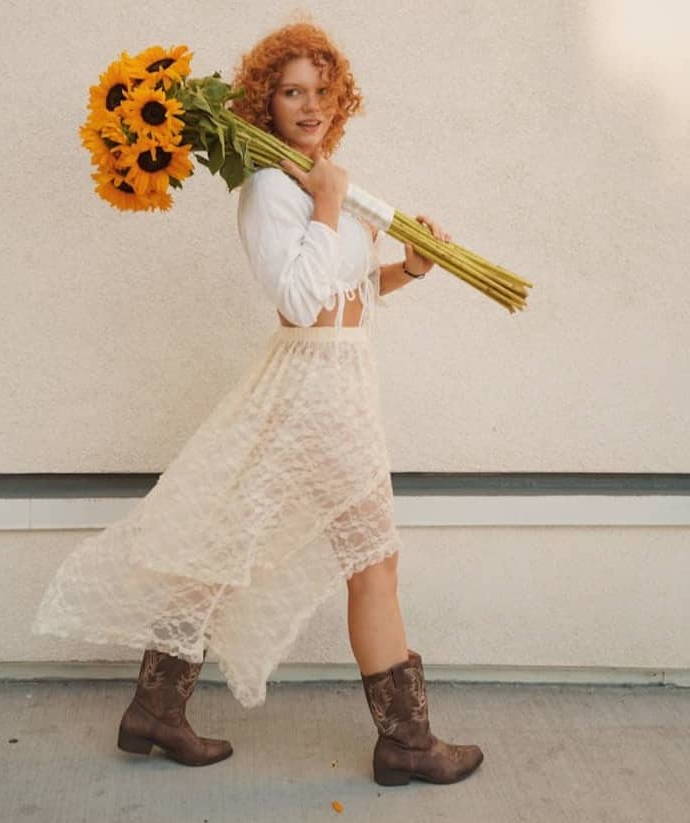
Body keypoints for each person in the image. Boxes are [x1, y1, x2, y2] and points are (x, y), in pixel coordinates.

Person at [31, 19, 483, 785]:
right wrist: (330, 206)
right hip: (313, 383)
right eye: (290, 92)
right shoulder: (272, 189)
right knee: (373, 560)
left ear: (340, 98)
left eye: (321, 91)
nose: (309, 106)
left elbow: (352, 293)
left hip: (336, 377)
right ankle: (406, 741)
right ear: (263, 103)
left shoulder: (321, 176)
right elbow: (302, 305)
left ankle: (156, 707)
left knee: (226, 539)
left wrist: (405, 267)